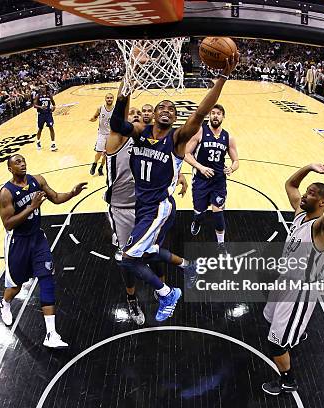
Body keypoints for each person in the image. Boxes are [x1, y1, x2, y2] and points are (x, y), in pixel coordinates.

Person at [110, 54, 240, 322]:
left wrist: (222, 78)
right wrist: (127, 81)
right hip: (142, 205)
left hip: (159, 208)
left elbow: (202, 111)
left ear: (176, 117)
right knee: (148, 252)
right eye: (162, 107)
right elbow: (115, 124)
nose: (167, 110)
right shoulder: (140, 132)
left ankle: (168, 293)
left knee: (127, 259)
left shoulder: (178, 138)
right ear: (154, 114)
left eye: (172, 109)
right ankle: (187, 265)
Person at [262, 160, 324, 395]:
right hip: (283, 281)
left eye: (311, 193)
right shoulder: (301, 215)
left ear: (322, 202)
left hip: (299, 292)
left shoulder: (322, 228)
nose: (304, 195)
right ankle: (296, 331)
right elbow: (290, 184)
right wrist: (310, 167)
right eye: (307, 191)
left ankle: (288, 380)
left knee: (275, 343)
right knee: (269, 319)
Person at [105, 90, 189, 325]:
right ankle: (133, 299)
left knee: (150, 251)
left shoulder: (146, 138)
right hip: (123, 208)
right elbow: (117, 121)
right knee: (130, 257)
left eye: (140, 113)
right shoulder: (117, 137)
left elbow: (164, 158)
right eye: (132, 113)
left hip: (148, 206)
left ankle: (173, 277)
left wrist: (179, 174)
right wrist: (125, 87)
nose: (135, 116)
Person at [0, 154, 87, 347]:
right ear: (10, 169)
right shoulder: (6, 192)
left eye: (23, 160)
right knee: (16, 287)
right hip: (18, 243)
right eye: (17, 163)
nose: (22, 164)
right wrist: (31, 207)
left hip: (38, 239)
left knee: (47, 278)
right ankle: (5, 303)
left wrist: (72, 193)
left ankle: (51, 334)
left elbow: (55, 198)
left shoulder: (37, 180)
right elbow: (8, 223)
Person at [184, 104, 239, 249]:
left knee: (218, 211)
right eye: (213, 113)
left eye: (219, 113)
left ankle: (221, 244)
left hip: (218, 181)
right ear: (209, 115)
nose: (215, 116)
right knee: (199, 212)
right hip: (201, 180)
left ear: (223, 117)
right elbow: (186, 153)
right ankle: (197, 221)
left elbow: (236, 161)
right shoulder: (200, 131)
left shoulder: (228, 137)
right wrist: (200, 167)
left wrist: (231, 168)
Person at [89, 93, 114, 176]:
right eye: (108, 98)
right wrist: (92, 119)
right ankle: (94, 164)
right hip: (102, 134)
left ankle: (101, 168)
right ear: (105, 99)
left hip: (111, 135)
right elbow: (95, 117)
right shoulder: (100, 108)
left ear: (113, 99)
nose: (109, 99)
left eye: (111, 98)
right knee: (99, 152)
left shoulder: (115, 109)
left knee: (107, 154)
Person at [34, 85, 57, 151]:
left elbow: (53, 102)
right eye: (41, 87)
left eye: (43, 87)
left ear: (46, 88)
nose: (42, 88)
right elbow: (34, 105)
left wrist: (54, 107)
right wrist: (40, 107)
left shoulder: (49, 95)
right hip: (41, 115)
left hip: (48, 114)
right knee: (40, 129)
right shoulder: (38, 95)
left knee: (51, 127)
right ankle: (38, 141)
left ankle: (53, 144)